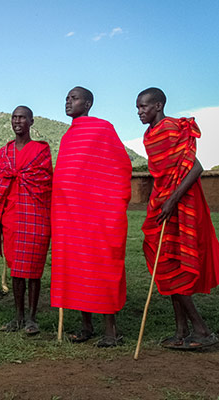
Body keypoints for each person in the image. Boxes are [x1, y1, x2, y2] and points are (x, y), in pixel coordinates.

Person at [136, 87, 219, 350]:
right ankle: (181, 332)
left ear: (158, 105)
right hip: (162, 204)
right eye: (137, 108)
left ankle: (202, 330)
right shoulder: (149, 135)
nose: (139, 112)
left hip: (181, 204)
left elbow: (196, 167)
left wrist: (173, 200)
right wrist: (164, 200)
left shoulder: (173, 128)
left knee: (175, 263)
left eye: (144, 107)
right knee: (166, 262)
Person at [50, 86, 132, 347]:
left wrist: (107, 202)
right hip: (71, 217)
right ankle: (86, 326)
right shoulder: (67, 137)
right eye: (66, 98)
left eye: (73, 98)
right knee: (76, 268)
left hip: (98, 216)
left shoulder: (102, 129)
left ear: (87, 104)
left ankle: (111, 330)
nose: (68, 102)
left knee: (103, 266)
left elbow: (119, 167)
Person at [0, 106, 52, 335]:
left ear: (31, 122)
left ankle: (32, 318)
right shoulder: (4, 153)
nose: (17, 121)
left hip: (35, 216)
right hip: (11, 217)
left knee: (33, 270)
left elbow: (45, 182)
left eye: (22, 117)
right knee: (16, 269)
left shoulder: (41, 150)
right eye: (14, 117)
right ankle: (18, 317)